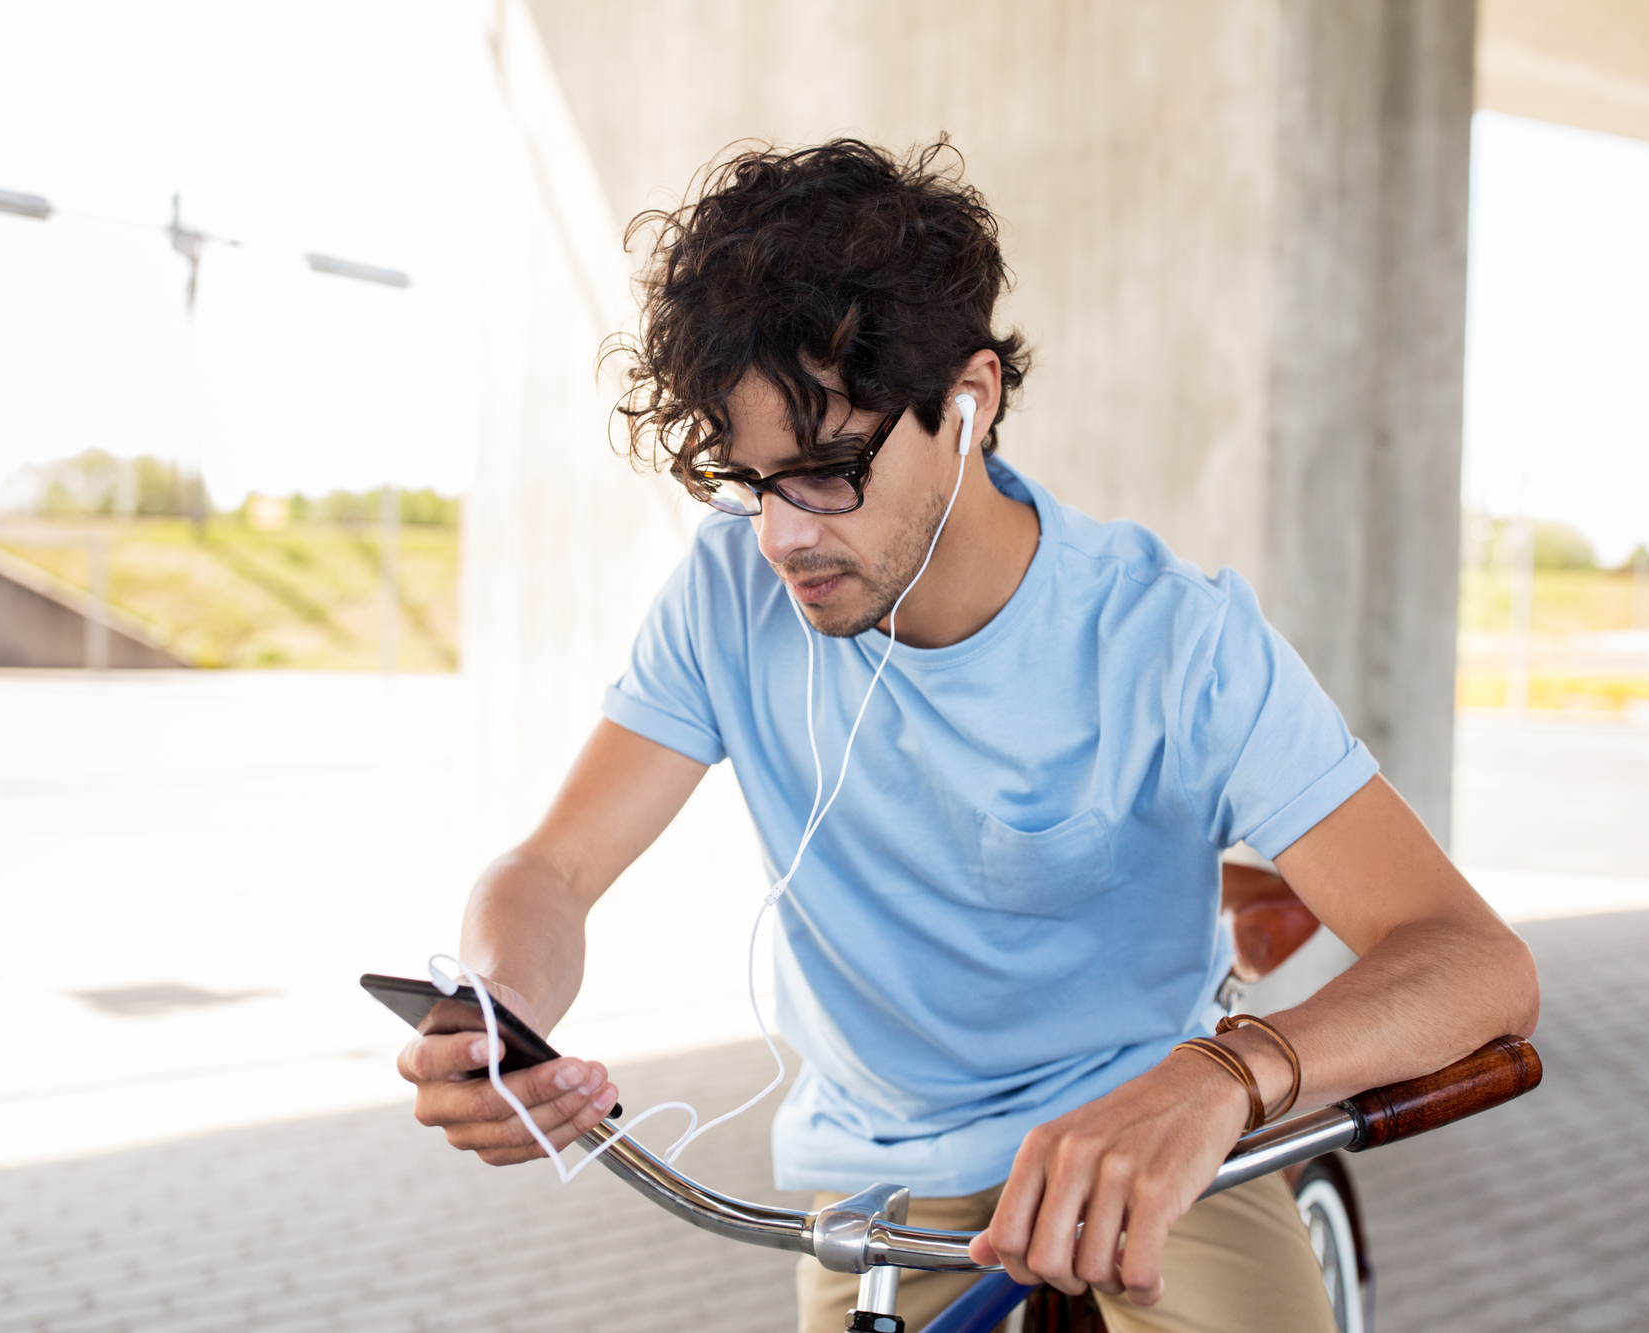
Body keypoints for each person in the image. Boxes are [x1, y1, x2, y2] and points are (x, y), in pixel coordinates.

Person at [397, 138, 1539, 1333]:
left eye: (828, 470)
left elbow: (1476, 961)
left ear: (968, 400)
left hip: (1149, 1140)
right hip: (886, 1193)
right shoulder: (724, 593)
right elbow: (551, 869)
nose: (783, 537)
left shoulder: (1173, 639)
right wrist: (498, 1008)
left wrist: (1220, 1079)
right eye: (749, 480)